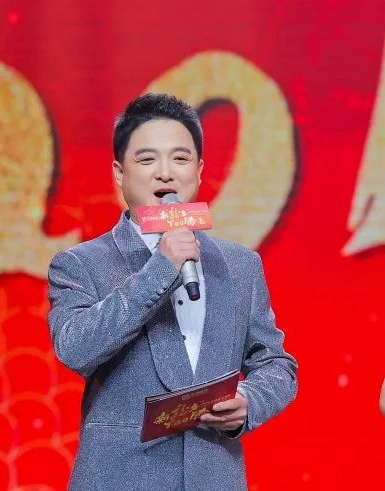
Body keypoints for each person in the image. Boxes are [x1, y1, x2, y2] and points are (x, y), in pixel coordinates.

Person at [47, 93, 298, 490]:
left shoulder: (240, 265)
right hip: (120, 478)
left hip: (214, 477)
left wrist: (250, 401)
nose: (165, 173)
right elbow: (75, 348)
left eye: (180, 159)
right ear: (119, 173)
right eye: (147, 160)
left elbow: (276, 364)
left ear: (199, 171)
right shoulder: (81, 263)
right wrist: (160, 269)